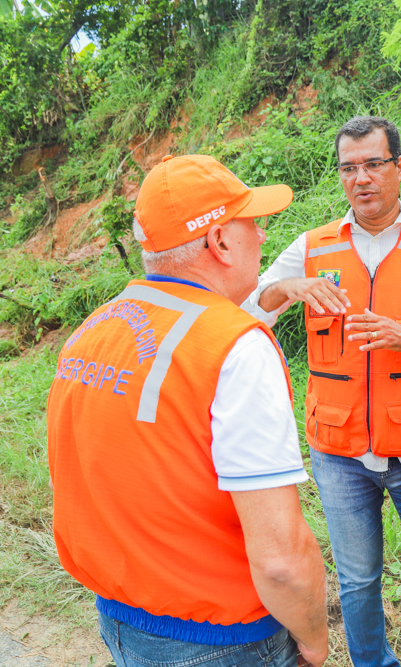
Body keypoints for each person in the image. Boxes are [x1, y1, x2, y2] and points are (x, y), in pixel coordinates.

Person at [46, 155, 329, 667]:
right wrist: (314, 640)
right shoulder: (237, 349)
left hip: (122, 618)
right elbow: (282, 559)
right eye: (251, 224)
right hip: (223, 638)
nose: (262, 238)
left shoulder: (92, 331)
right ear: (219, 242)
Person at [244, 116, 401, 667]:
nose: (362, 178)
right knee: (357, 585)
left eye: (374, 164)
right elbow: (241, 309)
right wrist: (286, 286)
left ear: (398, 168)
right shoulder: (312, 248)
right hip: (338, 452)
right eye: (349, 168)